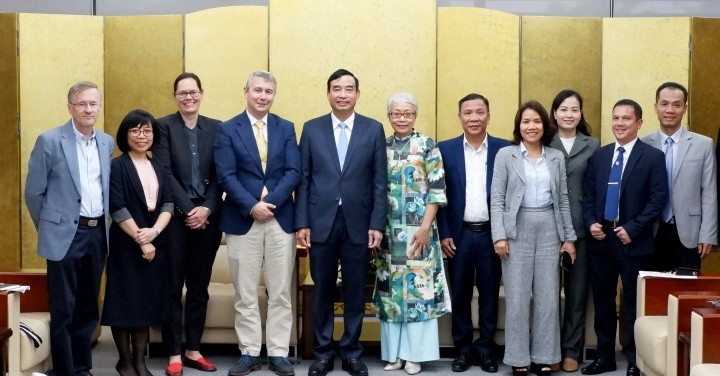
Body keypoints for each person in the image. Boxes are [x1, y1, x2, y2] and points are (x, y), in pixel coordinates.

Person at [295, 69, 388, 376]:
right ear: (328, 93)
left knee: (354, 290)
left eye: (349, 89)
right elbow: (304, 179)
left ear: (358, 94)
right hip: (320, 222)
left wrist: (377, 224)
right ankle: (323, 353)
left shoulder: (373, 129)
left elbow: (379, 182)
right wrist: (302, 222)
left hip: (359, 223)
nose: (343, 94)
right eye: (337, 88)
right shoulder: (312, 128)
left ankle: (351, 351)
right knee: (322, 289)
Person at [25, 81, 114, 376]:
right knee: (64, 308)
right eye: (82, 104)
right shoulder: (50, 141)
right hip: (64, 235)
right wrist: (50, 228)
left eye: (93, 104)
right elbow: (33, 193)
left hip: (97, 233)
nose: (89, 109)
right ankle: (64, 370)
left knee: (89, 306)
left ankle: (82, 367)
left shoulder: (105, 142)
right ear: (70, 108)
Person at [215, 70, 301, 376]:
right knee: (246, 292)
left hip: (280, 220)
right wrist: (252, 206)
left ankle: (278, 352)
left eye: (268, 92)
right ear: (246, 92)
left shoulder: (286, 127)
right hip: (242, 218)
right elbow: (226, 174)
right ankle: (249, 352)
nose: (263, 96)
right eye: (258, 91)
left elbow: (294, 170)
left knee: (280, 292)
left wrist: (270, 204)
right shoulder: (228, 129)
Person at [581, 99, 668, 376]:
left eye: (626, 119)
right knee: (603, 301)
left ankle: (633, 359)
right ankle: (604, 357)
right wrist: (591, 222)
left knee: (632, 302)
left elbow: (658, 200)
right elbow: (588, 196)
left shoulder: (653, 157)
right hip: (601, 240)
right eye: (616, 118)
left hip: (633, 241)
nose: (619, 123)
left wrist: (633, 228)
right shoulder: (600, 155)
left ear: (639, 123)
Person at [490, 101, 577, 376]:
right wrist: (499, 235)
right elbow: (497, 199)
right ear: (519, 125)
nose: (531, 126)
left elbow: (563, 199)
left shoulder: (555, 157)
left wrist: (568, 238)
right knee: (516, 297)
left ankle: (544, 357)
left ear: (544, 125)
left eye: (536, 121)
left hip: (550, 227)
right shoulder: (506, 155)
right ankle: (518, 358)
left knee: (548, 297)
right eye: (526, 121)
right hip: (517, 228)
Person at [372, 92, 451, 375]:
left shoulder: (427, 145)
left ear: (415, 115)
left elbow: (437, 191)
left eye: (407, 113)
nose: (401, 118)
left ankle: (415, 355)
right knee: (391, 293)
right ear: (389, 116)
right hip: (389, 232)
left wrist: (425, 227)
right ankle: (394, 355)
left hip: (420, 231)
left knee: (417, 294)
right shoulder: (381, 145)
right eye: (396, 113)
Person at [154, 72, 223, 376]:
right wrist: (188, 210)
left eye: (193, 92)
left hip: (208, 220)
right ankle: (173, 353)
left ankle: (193, 350)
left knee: (199, 288)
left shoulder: (218, 128)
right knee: (172, 287)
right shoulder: (163, 127)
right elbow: (165, 172)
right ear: (174, 96)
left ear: (201, 93)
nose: (188, 97)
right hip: (176, 220)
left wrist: (206, 208)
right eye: (182, 93)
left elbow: (223, 173)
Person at [436, 93, 510, 373]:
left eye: (480, 112)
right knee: (461, 294)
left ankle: (487, 348)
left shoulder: (504, 149)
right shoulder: (445, 149)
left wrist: (504, 233)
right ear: (459, 117)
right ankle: (463, 349)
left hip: (493, 233)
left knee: (490, 293)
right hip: (459, 234)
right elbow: (438, 195)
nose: (474, 118)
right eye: (468, 113)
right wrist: (443, 233)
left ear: (488, 116)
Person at [101, 109, 173, 376]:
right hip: (125, 244)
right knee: (124, 304)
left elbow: (168, 203)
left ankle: (140, 361)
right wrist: (141, 239)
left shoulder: (158, 166)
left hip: (156, 242)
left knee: (144, 304)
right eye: (135, 130)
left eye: (146, 131)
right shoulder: (117, 166)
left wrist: (154, 232)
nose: (141, 136)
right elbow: (117, 206)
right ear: (125, 134)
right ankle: (124, 361)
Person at [547, 90, 600, 372]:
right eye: (563, 109)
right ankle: (550, 349)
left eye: (575, 109)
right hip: (547, 231)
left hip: (581, 231)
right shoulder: (543, 142)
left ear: (581, 114)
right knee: (548, 294)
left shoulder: (593, 145)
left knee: (577, 295)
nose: (569, 114)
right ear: (554, 113)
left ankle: (571, 350)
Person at [641, 82, 717, 273]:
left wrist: (708, 234)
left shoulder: (703, 144)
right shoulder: (643, 144)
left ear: (685, 108)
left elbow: (709, 191)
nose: (670, 110)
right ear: (655, 107)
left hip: (689, 233)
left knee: (685, 293)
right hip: (652, 231)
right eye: (664, 104)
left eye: (677, 104)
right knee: (653, 294)